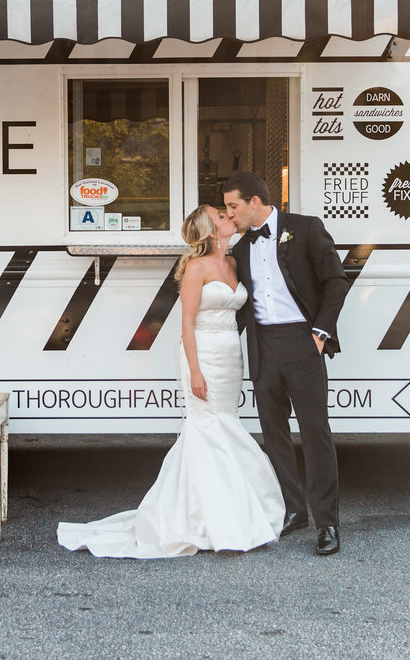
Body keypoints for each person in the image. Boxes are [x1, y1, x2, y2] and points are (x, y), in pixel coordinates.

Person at [58, 205, 284, 558]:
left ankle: (230, 512)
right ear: (211, 230)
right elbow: (187, 325)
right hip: (203, 354)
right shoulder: (195, 268)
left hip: (229, 356)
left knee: (226, 423)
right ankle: (207, 520)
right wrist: (194, 370)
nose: (229, 218)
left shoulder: (234, 263)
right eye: (222, 217)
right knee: (206, 427)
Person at [223, 171, 349, 556]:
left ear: (255, 202)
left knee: (315, 432)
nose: (230, 215)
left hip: (302, 341)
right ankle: (294, 510)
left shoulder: (307, 228)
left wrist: (320, 333)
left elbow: (336, 281)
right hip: (263, 344)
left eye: (233, 206)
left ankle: (327, 522)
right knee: (273, 432)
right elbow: (242, 303)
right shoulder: (240, 247)